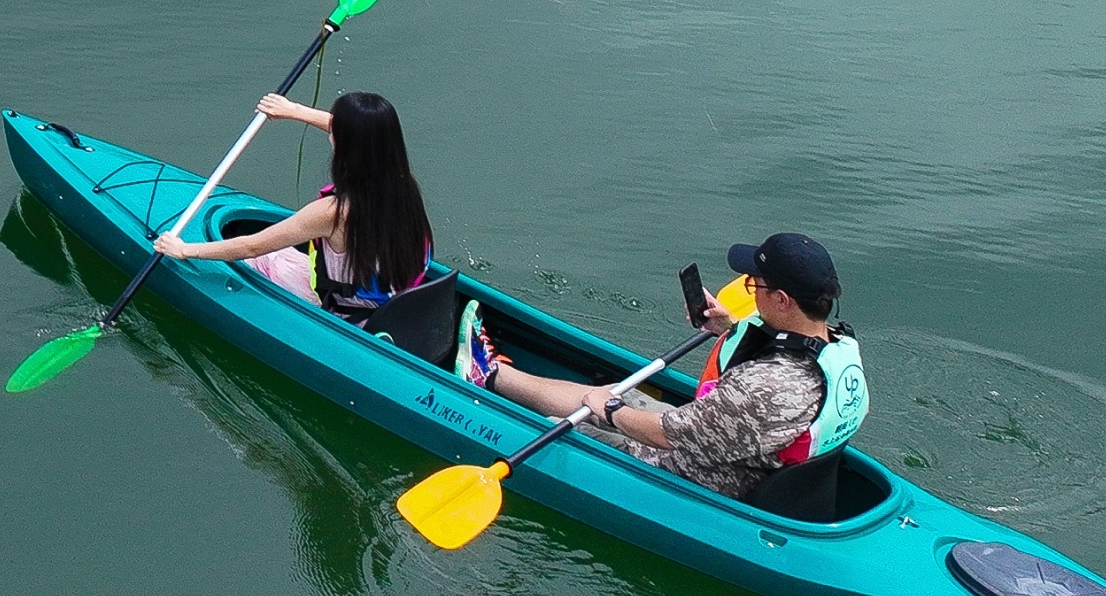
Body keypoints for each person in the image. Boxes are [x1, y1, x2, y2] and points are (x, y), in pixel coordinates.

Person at [481, 232, 867, 500]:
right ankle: (496, 375)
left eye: (755, 284)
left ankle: (486, 382)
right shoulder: (839, 346)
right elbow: (779, 376)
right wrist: (728, 330)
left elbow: (670, 435)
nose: (749, 287)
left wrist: (612, 412)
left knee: (572, 422)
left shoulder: (761, 391)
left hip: (714, 478)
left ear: (783, 300)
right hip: (756, 458)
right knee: (621, 392)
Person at [151, 91, 438, 321]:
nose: (330, 129)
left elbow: (252, 246)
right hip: (390, 299)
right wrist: (293, 110)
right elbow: (356, 132)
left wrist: (185, 250)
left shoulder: (332, 213)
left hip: (350, 314)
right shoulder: (403, 184)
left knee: (263, 260)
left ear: (346, 145)